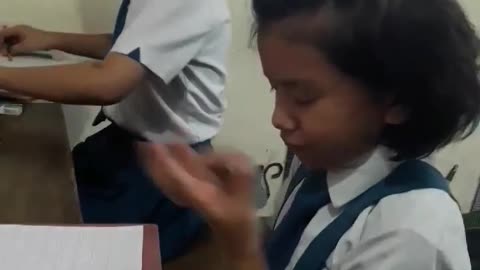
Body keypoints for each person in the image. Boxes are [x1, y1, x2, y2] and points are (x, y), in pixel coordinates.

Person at [139, 0, 480, 269]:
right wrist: (225, 209)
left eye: (303, 97)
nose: (278, 119)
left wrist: (240, 248)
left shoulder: (407, 234)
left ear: (398, 100)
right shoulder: (323, 168)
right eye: (276, 91)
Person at [0, 0, 231, 262]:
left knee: (60, 248)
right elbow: (129, 46)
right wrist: (50, 38)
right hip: (123, 146)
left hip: (162, 169)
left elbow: (108, 82)